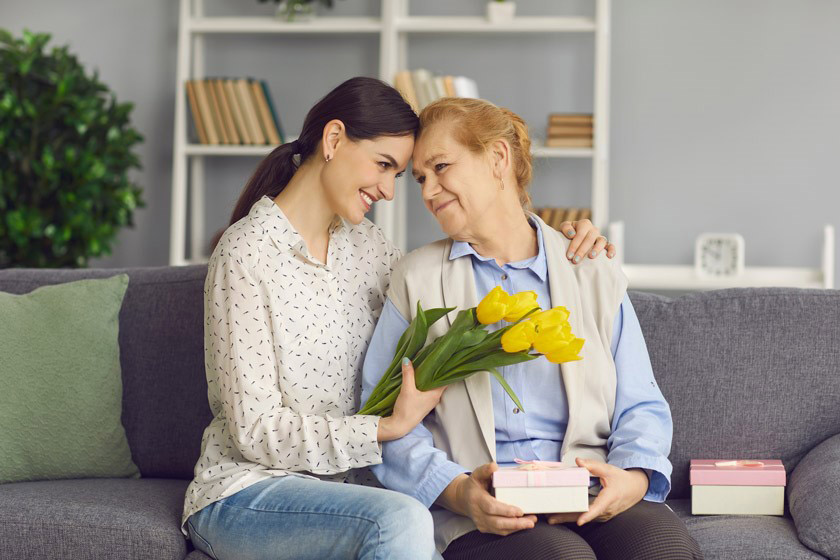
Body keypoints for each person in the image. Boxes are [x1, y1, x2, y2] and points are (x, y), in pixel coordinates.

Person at [181, 77, 616, 560]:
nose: (391, 191)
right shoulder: (245, 254)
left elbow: (463, 271)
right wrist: (382, 429)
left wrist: (560, 245)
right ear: (333, 140)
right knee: (404, 519)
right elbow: (255, 431)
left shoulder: (370, 250)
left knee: (412, 520)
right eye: (385, 166)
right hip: (249, 492)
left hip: (352, 492)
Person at [361, 97, 703, 560]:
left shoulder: (589, 268)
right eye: (420, 178)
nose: (427, 190)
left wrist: (632, 478)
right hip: (482, 506)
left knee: (662, 548)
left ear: (498, 158)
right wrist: (459, 492)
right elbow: (382, 417)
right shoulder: (416, 279)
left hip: (587, 486)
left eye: (441, 167)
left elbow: (640, 403)